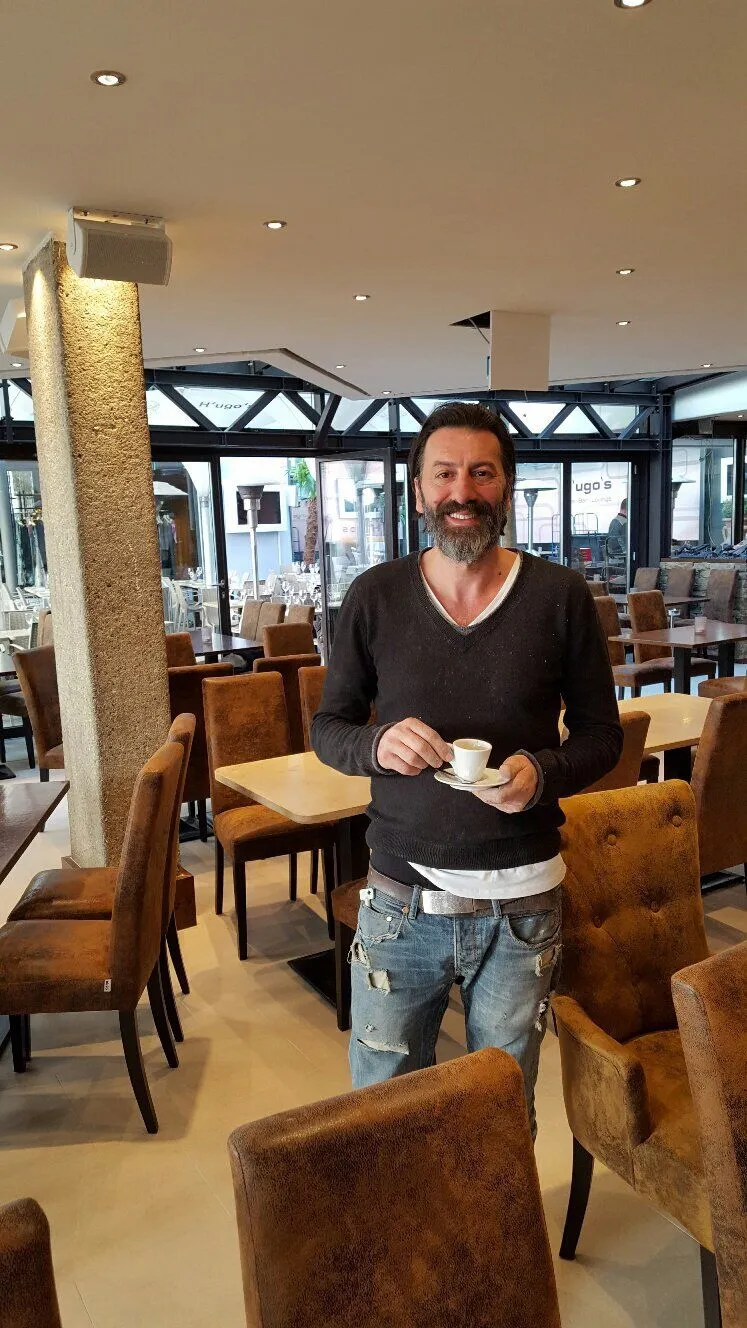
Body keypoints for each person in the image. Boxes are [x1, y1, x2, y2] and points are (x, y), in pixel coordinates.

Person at [312, 402, 622, 1133]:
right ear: (419, 489)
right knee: (383, 1112)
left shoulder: (560, 598)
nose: (462, 491)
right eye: (444, 473)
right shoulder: (375, 595)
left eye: (481, 473)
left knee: (500, 1115)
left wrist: (542, 772)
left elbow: (602, 736)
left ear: (506, 485)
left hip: (523, 906)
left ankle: (492, 1216)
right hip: (400, 901)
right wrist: (376, 746)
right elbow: (328, 729)